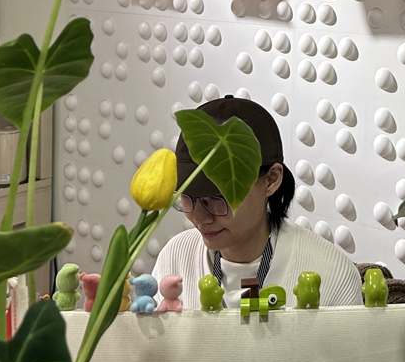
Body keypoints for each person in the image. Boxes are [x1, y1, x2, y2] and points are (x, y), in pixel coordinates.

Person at [152, 96, 363, 309]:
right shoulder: (175, 257)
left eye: (216, 198)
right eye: (187, 197)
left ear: (271, 180)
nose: (198, 218)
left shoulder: (331, 273)